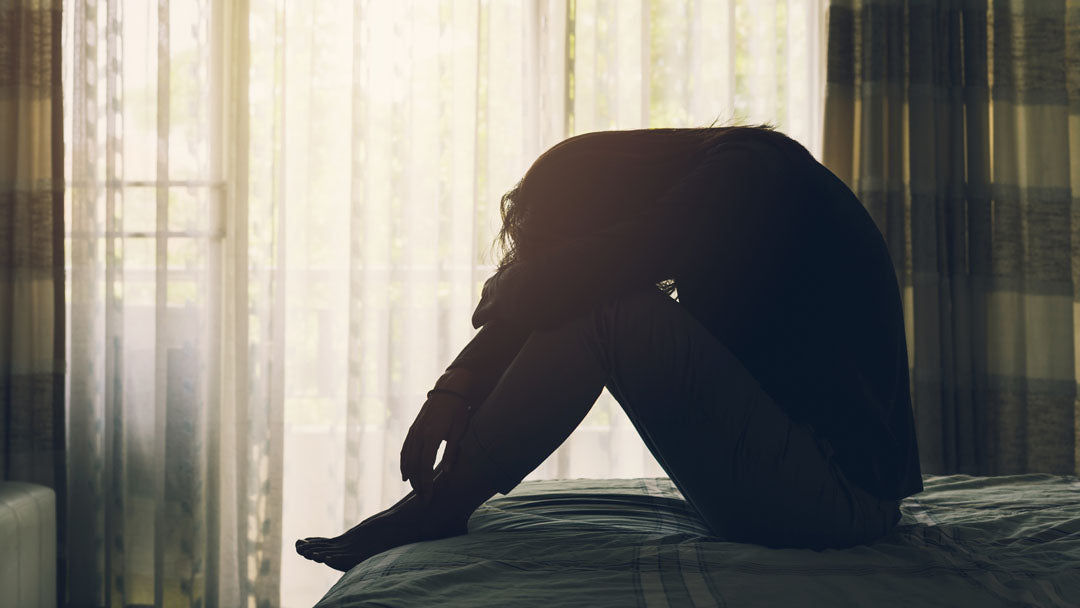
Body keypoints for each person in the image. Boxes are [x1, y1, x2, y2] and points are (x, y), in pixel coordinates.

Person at [295, 126, 923, 572]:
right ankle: (437, 504)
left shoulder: (750, 175)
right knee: (598, 300)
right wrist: (455, 386)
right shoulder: (735, 185)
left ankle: (439, 506)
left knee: (605, 306)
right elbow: (578, 284)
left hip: (837, 503)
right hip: (816, 491)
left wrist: (505, 302)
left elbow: (587, 282)